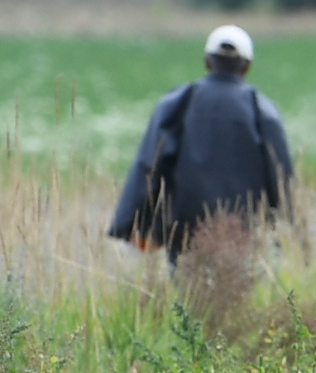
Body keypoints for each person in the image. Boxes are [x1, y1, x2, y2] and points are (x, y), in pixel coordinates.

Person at [108, 24, 296, 254]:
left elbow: (149, 166)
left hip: (183, 233)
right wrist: (290, 236)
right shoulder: (261, 110)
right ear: (247, 66)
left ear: (208, 61)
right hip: (243, 233)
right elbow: (281, 177)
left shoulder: (178, 104)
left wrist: (131, 225)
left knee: (186, 290)